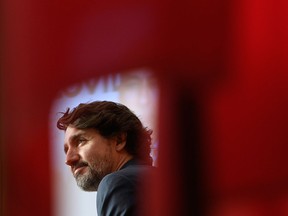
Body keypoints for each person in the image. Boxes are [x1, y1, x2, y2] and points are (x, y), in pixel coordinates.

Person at [56, 100, 154, 216]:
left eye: (81, 141)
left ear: (119, 140)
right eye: (66, 150)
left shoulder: (118, 183)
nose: (68, 159)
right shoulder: (162, 183)